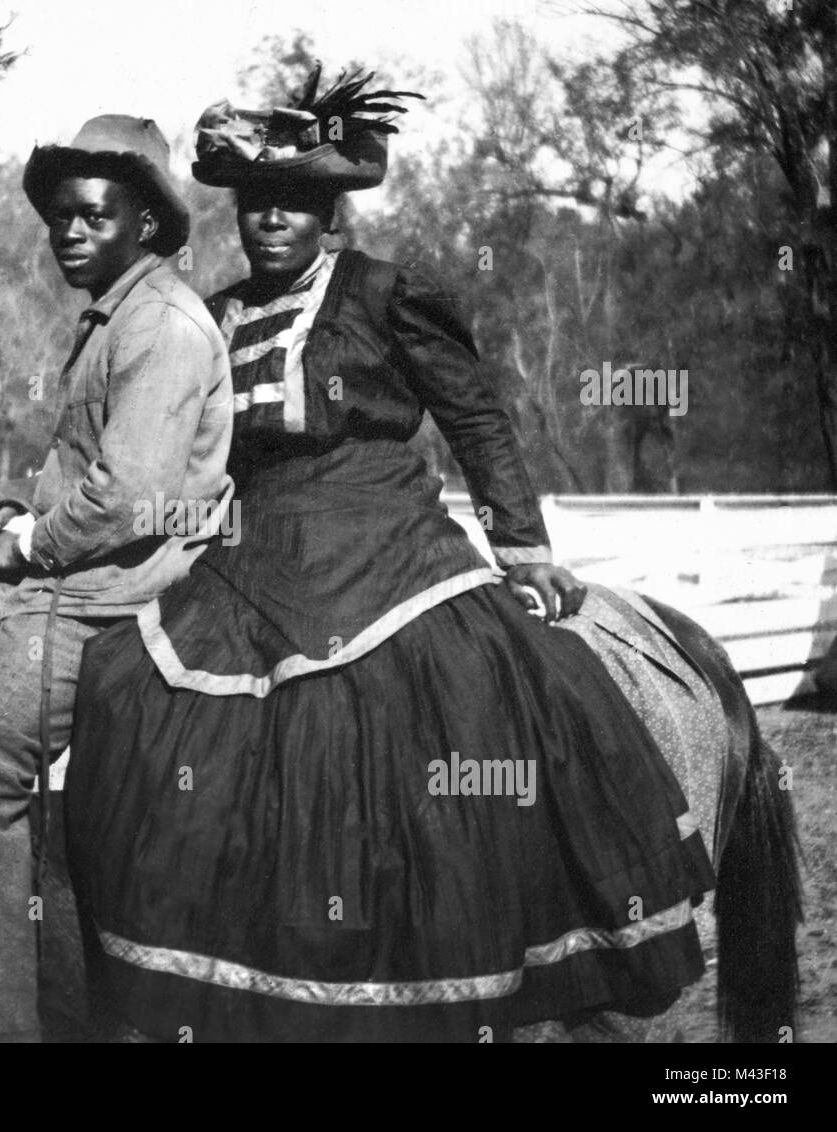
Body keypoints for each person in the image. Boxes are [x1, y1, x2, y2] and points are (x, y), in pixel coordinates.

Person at [64, 72, 716, 1042]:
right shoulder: (217, 314)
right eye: (255, 202)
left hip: (387, 539)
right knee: (133, 694)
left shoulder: (385, 294)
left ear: (331, 211)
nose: (271, 219)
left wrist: (522, 542)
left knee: (457, 697)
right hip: (249, 556)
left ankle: (478, 976)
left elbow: (475, 417)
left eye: (294, 201)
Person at [0, 115, 233, 1043]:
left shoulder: (163, 326)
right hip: (82, 581)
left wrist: (20, 547)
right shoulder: (117, 318)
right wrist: (13, 496)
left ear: (146, 224)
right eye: (60, 217)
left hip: (105, 605)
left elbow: (130, 501)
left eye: (94, 215)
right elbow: (92, 466)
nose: (70, 232)